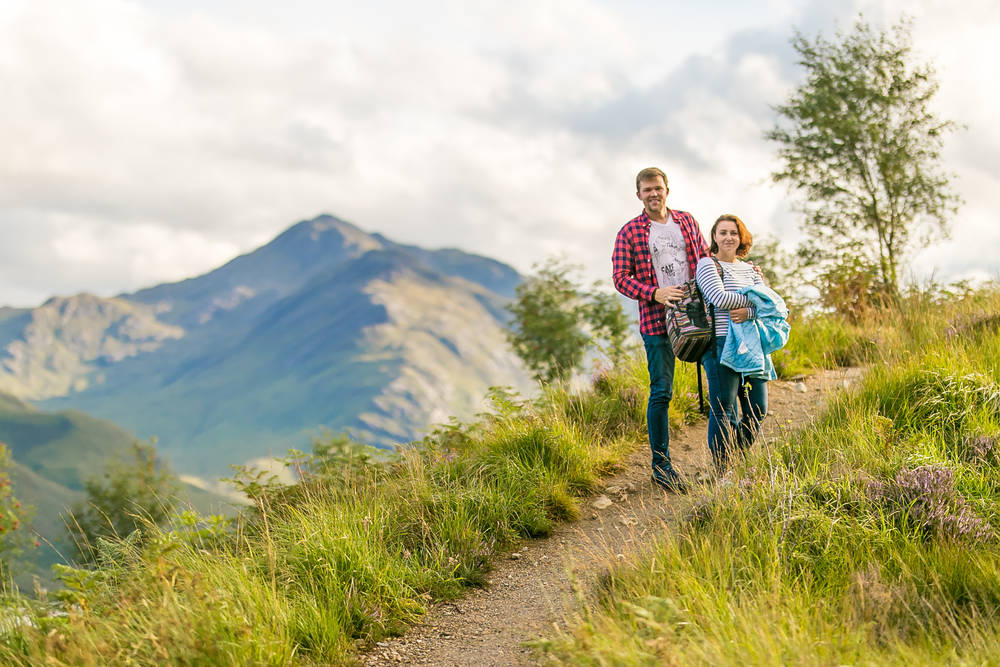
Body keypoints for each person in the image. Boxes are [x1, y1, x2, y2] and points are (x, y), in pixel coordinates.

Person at [612, 167, 709, 492]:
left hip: (697, 315)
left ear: (667, 189)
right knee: (662, 391)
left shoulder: (687, 222)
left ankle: (725, 457)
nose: (653, 194)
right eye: (646, 190)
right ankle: (661, 465)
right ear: (638, 194)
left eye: (658, 188)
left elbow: (705, 260)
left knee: (721, 377)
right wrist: (655, 293)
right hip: (657, 322)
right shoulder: (630, 232)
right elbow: (620, 277)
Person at [695, 214, 784, 472]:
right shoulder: (707, 265)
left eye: (733, 232)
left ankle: (739, 455)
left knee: (758, 407)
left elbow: (770, 307)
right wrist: (752, 302)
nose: (728, 237)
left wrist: (749, 312)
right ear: (714, 237)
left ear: (740, 237)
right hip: (720, 343)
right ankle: (724, 469)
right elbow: (718, 298)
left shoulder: (751, 270)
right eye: (722, 232)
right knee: (723, 408)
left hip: (753, 344)